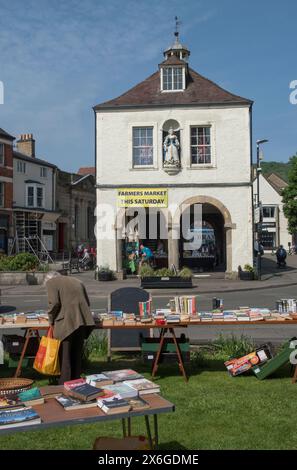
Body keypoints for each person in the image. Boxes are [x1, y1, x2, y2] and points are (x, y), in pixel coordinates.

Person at [44, 272, 95, 384]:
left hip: (66, 323)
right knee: (76, 354)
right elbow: (87, 302)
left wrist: (51, 320)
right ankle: (76, 383)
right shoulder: (77, 280)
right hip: (82, 321)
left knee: (65, 357)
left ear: (48, 279)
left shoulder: (51, 282)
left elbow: (54, 303)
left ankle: (64, 384)